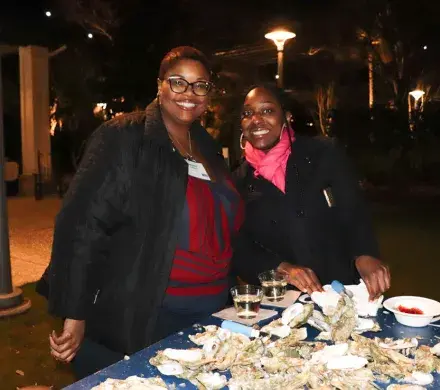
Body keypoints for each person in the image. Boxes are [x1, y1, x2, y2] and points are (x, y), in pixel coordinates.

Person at [39, 46, 243, 379]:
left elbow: (225, 226)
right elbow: (82, 226)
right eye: (178, 82)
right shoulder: (124, 137)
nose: (189, 93)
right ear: (159, 85)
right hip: (148, 316)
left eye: (200, 85)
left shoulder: (208, 148)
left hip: (211, 314)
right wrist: (74, 313)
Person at [232, 84, 390, 299]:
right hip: (283, 300)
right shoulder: (238, 181)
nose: (256, 119)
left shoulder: (323, 154)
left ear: (286, 117)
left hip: (341, 290)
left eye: (268, 110)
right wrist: (282, 268)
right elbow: (240, 246)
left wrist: (365, 253)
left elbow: (354, 211)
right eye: (247, 113)